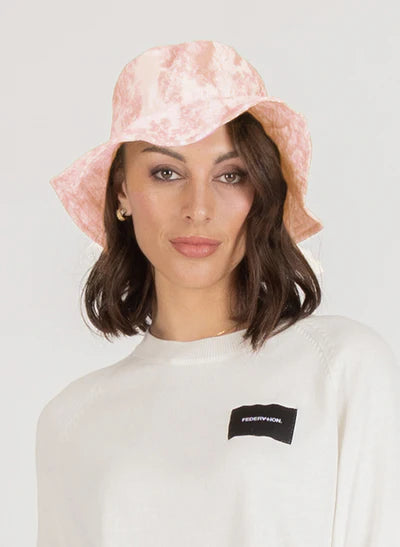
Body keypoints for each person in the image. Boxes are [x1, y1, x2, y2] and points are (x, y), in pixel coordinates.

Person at [35, 40, 400, 546]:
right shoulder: (72, 420)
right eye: (166, 172)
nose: (199, 207)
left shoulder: (341, 368)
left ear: (260, 191)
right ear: (121, 191)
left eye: (231, 175)